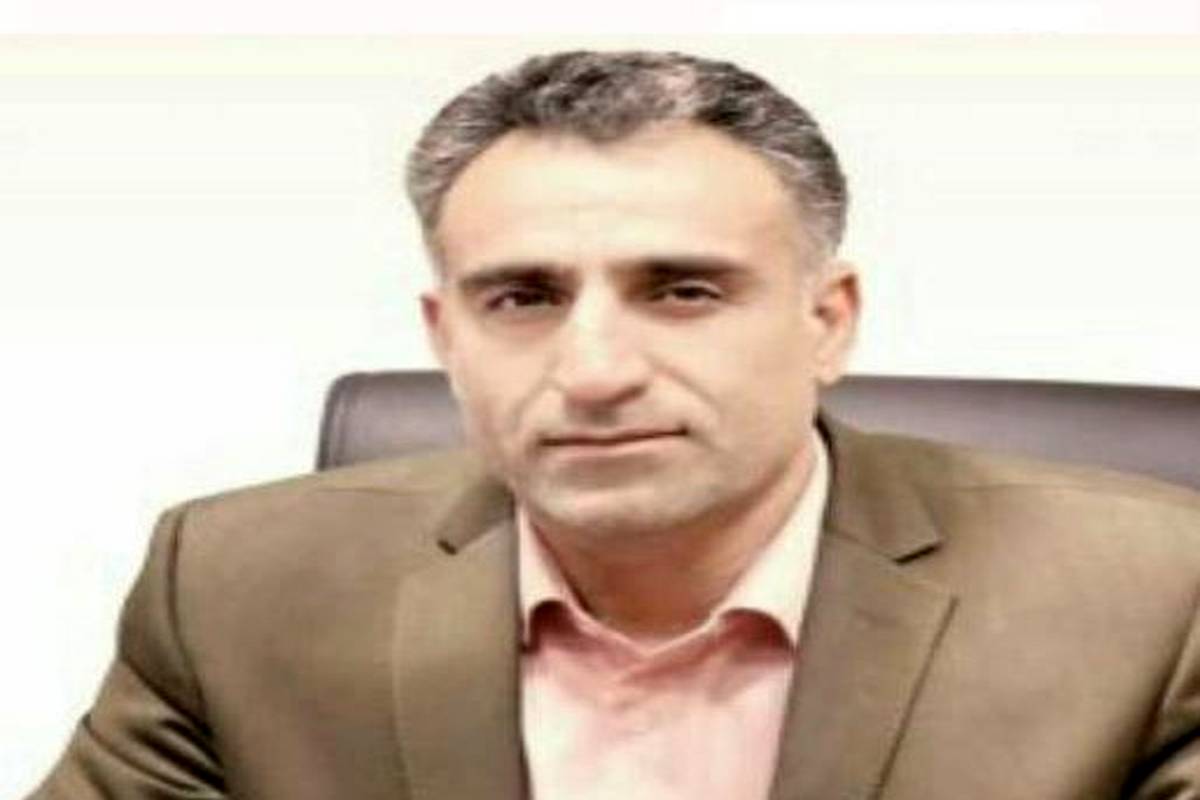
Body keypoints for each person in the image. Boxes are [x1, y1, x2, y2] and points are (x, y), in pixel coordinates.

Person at [29, 50, 1200, 800]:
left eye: (682, 290)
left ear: (827, 319)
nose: (593, 371)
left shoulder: (1155, 595)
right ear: (446, 335)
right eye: (522, 298)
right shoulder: (233, 585)